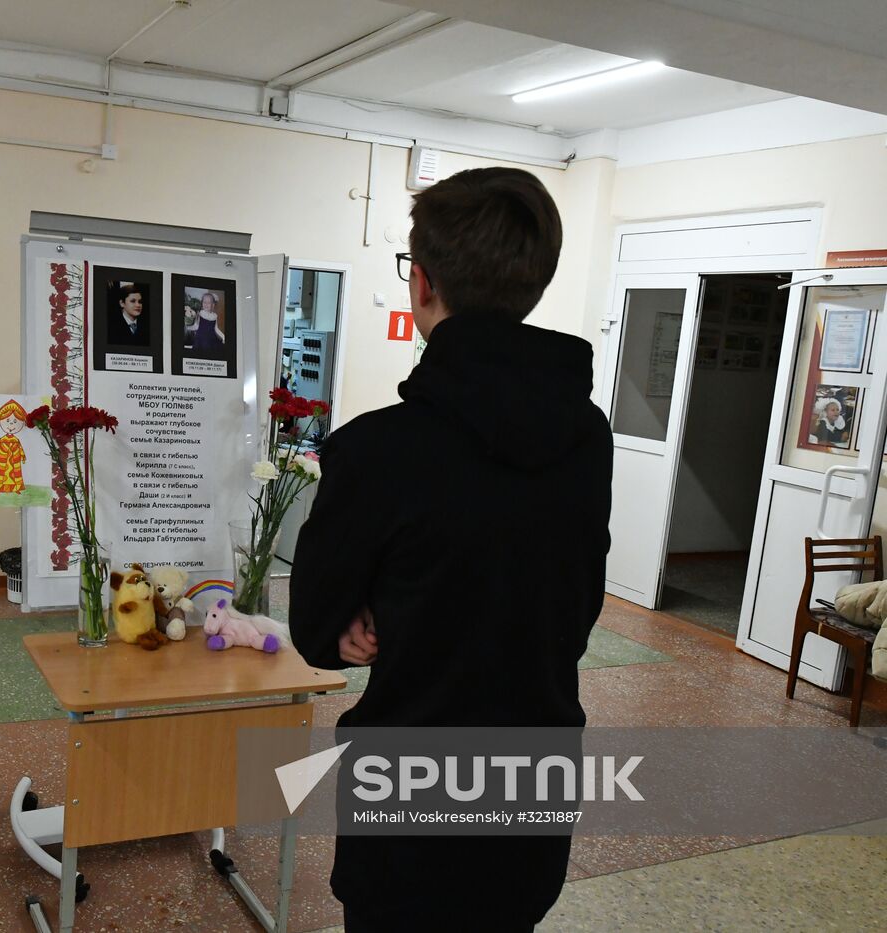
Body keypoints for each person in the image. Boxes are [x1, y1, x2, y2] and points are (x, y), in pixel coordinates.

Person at [289, 167, 613, 932]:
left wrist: (357, 621)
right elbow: (574, 602)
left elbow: (313, 628)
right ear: (534, 284)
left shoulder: (376, 450)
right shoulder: (587, 435)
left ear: (423, 281)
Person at [0, 399, 28, 494]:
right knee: (1, 474)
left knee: (15, 474)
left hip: (14, 460)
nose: (11, 424)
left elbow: (20, 449)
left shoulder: (16, 440)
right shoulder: (1, 440)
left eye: (15, 421)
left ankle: (16, 488)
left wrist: (23, 456)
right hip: (2, 459)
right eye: (7, 420)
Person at [106, 282, 150, 347]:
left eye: (140, 302)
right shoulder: (112, 328)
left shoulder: (147, 326)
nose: (138, 305)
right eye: (133, 301)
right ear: (122, 303)